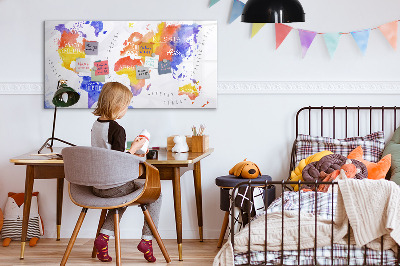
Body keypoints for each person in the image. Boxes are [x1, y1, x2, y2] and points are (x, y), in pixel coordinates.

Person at [91, 82, 161, 263]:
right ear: (117, 105)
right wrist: (136, 148)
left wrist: (130, 149)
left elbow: (108, 154)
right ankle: (147, 240)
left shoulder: (96, 125)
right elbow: (119, 161)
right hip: (114, 186)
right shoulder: (117, 129)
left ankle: (103, 238)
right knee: (156, 194)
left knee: (121, 197)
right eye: (126, 106)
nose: (126, 110)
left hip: (97, 186)